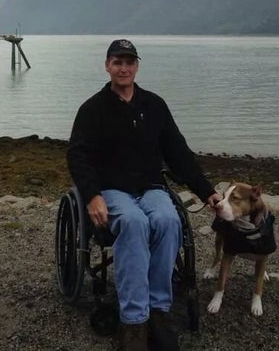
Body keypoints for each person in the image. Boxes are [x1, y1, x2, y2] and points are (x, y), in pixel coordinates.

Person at [67, 38, 221, 351]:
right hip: (112, 190)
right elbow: (78, 156)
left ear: (137, 66)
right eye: (117, 62)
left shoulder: (154, 105)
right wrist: (92, 195)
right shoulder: (92, 109)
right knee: (135, 223)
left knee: (167, 220)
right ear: (107, 66)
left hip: (151, 187)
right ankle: (134, 321)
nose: (123, 68)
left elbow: (179, 154)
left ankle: (157, 312)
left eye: (129, 62)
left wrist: (207, 192)